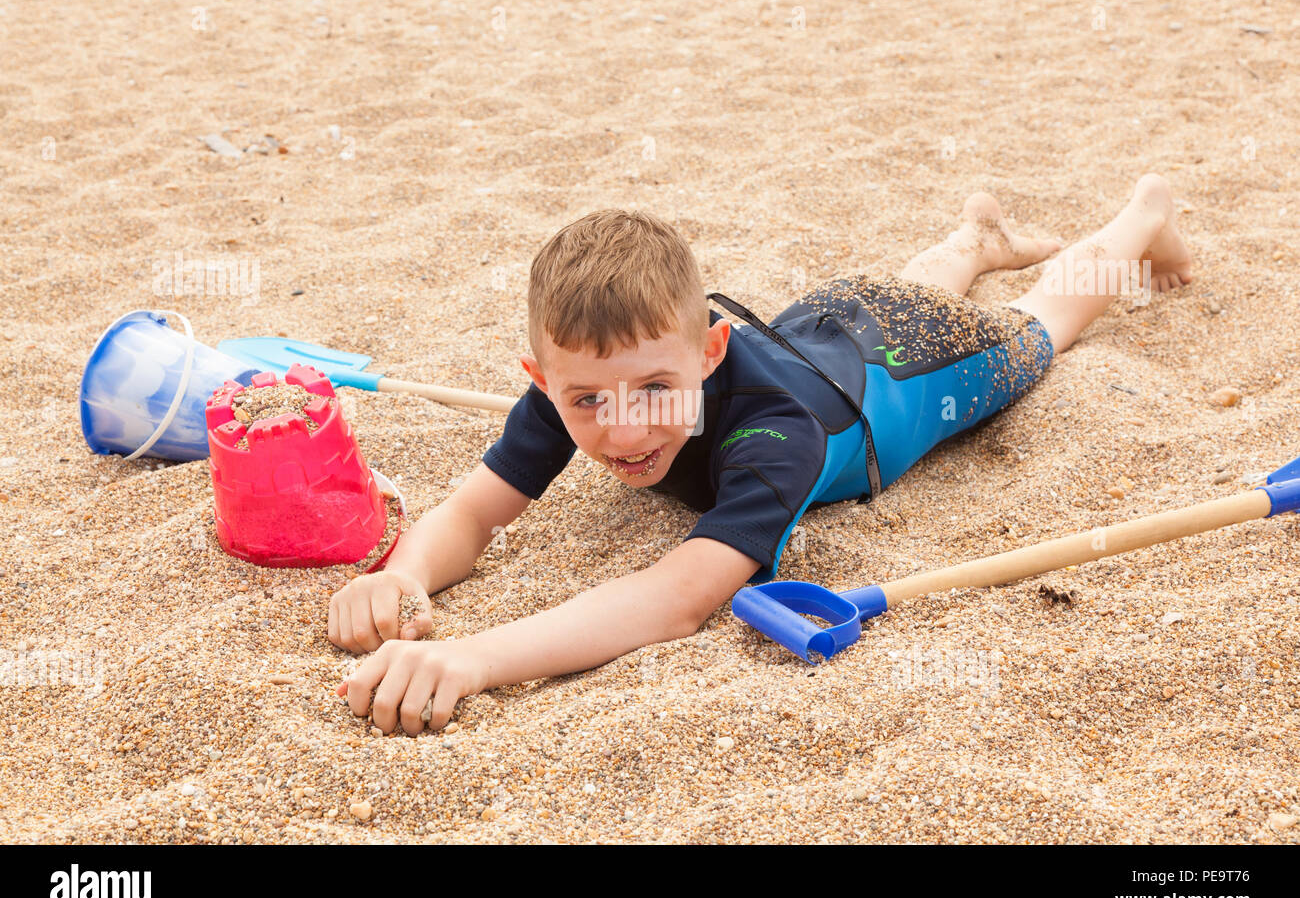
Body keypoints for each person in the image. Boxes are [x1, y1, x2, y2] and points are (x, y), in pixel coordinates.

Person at [332, 173, 1193, 735]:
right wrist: (405, 576)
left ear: (710, 352)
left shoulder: (773, 432)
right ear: (543, 377)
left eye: (653, 393)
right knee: (898, 295)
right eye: (586, 403)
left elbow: (676, 599)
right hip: (829, 319)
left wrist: (475, 656)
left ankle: (1140, 215)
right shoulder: (593, 376)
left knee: (1045, 322)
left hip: (920, 365)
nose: (623, 430)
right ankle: (975, 241)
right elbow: (475, 511)